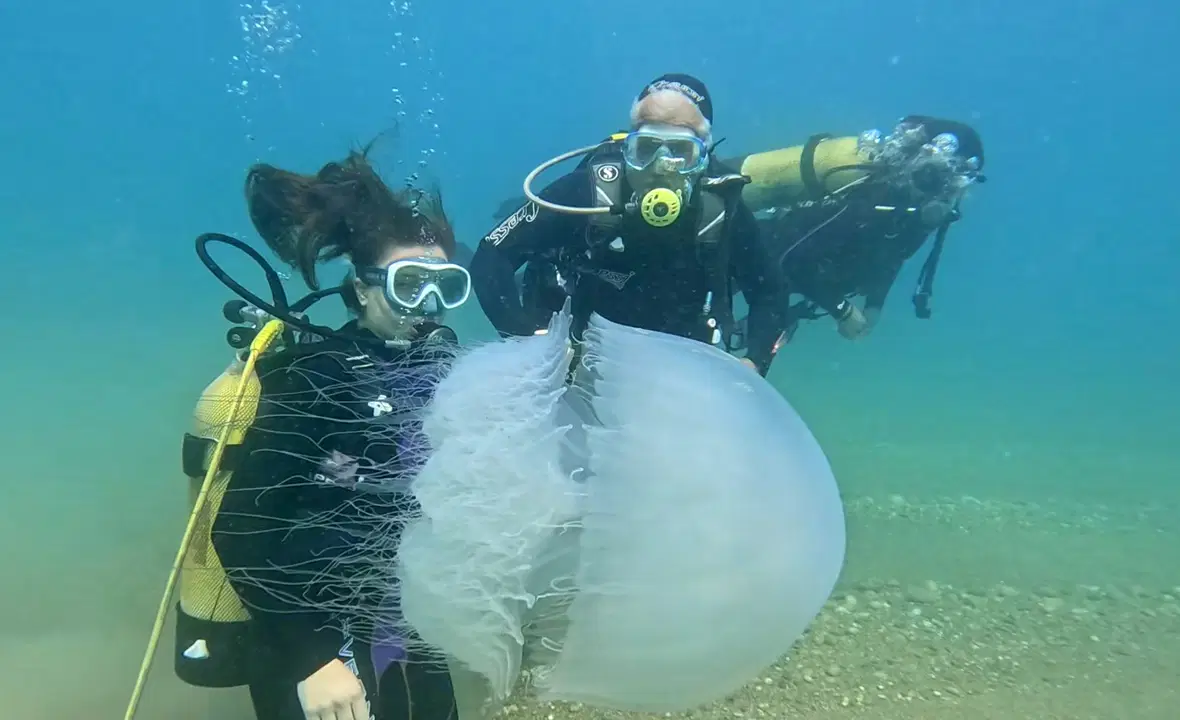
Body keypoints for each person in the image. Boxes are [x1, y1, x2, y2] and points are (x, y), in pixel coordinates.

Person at [207, 144, 469, 720]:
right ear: (360, 290)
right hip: (314, 634)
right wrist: (312, 662)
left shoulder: (449, 380)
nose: (426, 306)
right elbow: (241, 530)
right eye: (409, 285)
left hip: (405, 616)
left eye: (444, 288)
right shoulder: (313, 379)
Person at [468, 73, 790, 376]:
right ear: (628, 148)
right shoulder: (589, 191)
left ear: (703, 158)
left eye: (681, 152)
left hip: (680, 371)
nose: (661, 167)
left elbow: (769, 290)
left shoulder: (720, 208)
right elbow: (492, 254)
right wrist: (525, 337)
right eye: (646, 149)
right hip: (576, 364)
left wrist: (755, 360)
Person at [729, 116, 986, 344]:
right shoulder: (873, 199)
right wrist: (842, 311)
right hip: (746, 255)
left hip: (772, 277)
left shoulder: (913, 215)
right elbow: (795, 260)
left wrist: (874, 305)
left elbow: (892, 259)